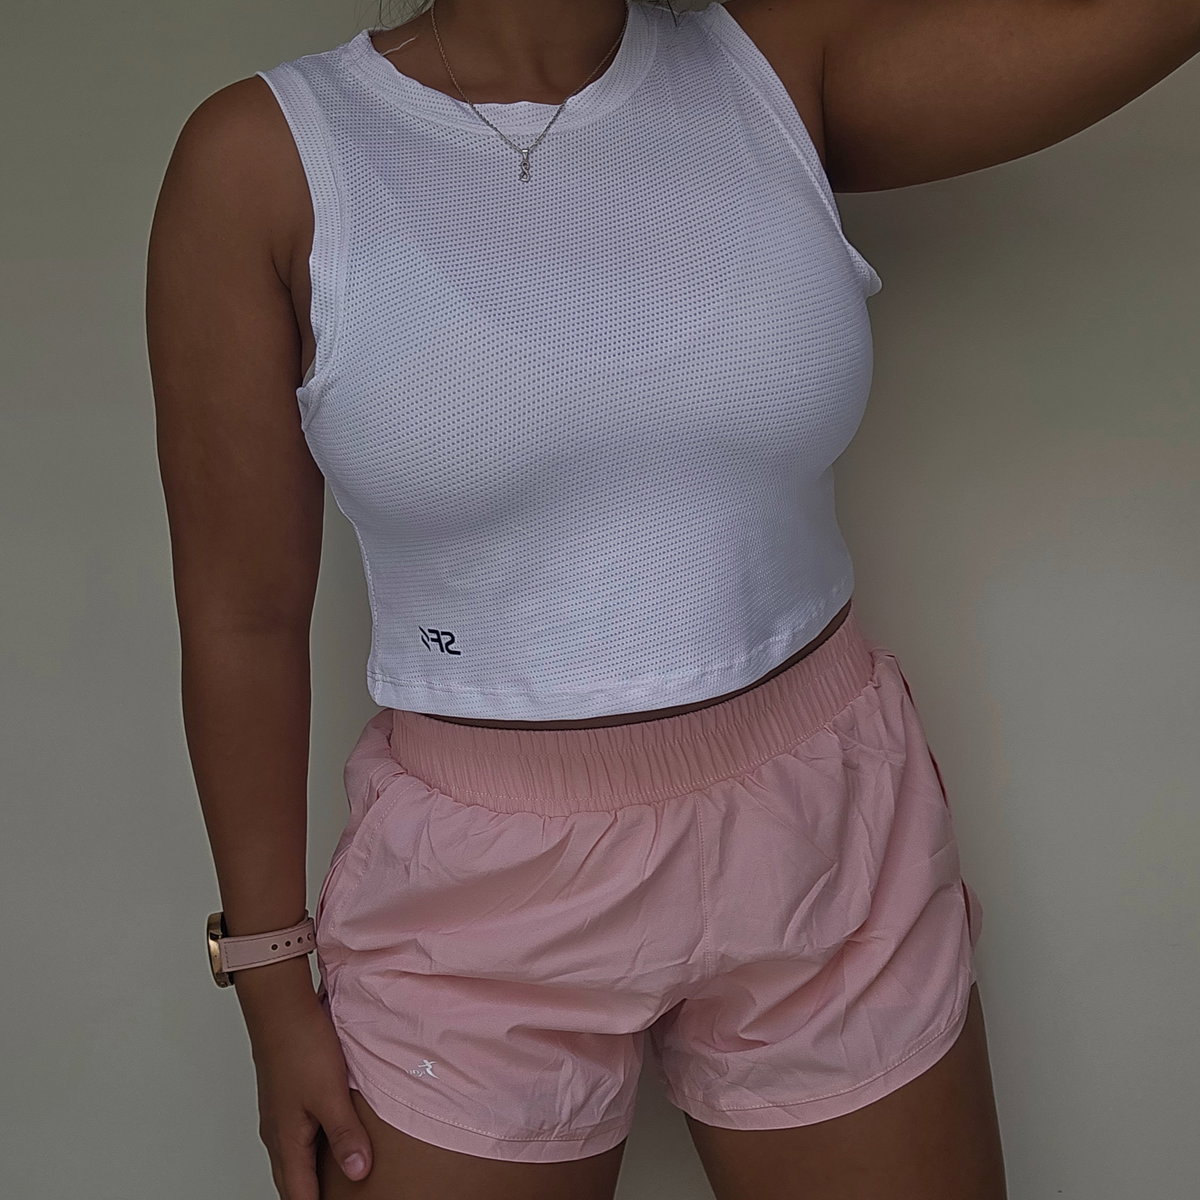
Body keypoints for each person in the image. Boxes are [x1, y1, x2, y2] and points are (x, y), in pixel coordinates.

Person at [146, 1, 1198, 1196]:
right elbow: (243, 619)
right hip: (475, 898)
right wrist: (271, 974)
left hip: (824, 841)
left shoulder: (777, 64)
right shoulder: (268, 158)